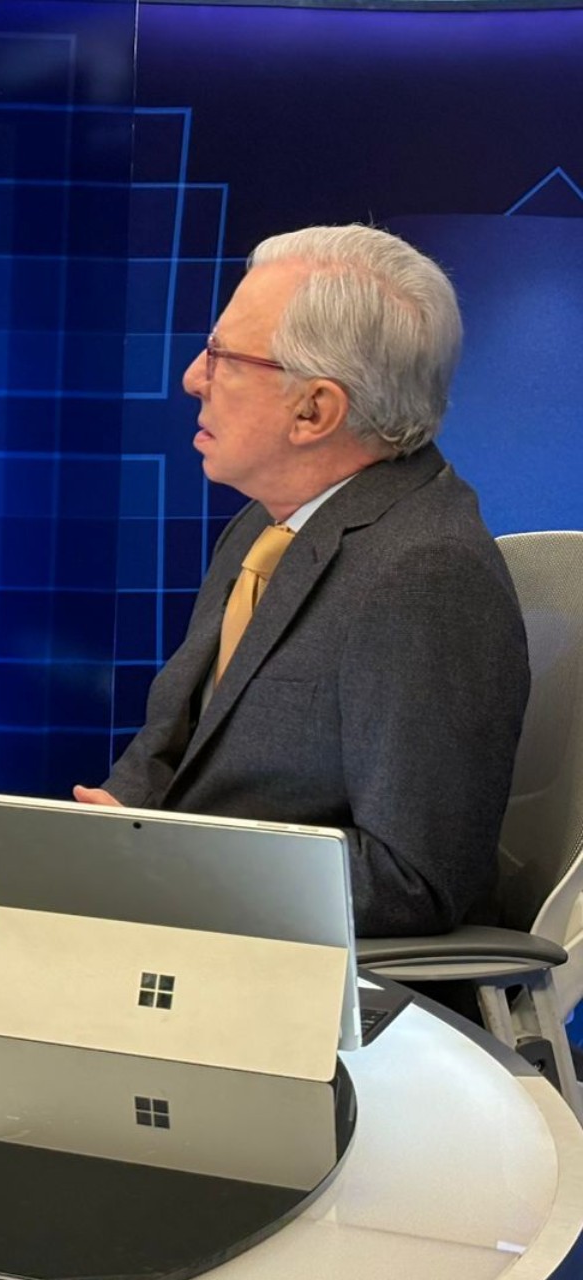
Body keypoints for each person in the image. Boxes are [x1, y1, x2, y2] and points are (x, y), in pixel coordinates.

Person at [76, 224, 529, 937]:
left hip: (316, 984)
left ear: (314, 410)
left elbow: (416, 880)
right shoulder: (266, 526)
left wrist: (173, 866)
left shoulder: (427, 573)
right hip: (182, 936)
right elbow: (172, 748)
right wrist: (100, 837)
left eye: (223, 357)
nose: (193, 377)